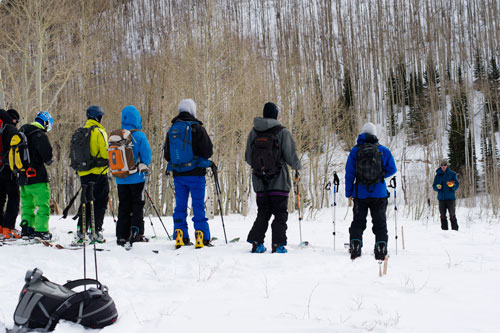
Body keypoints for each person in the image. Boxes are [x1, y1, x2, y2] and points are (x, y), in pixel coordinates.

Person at [245, 102, 302, 254]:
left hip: (259, 182)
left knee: (263, 212)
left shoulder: (254, 132)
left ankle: (256, 243)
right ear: (275, 115)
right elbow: (290, 156)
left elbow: (249, 158)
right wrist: (298, 166)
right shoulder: (281, 132)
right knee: (280, 214)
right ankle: (278, 245)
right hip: (279, 182)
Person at [164, 99, 213, 249]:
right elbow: (208, 151)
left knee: (180, 206)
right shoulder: (197, 128)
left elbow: (167, 155)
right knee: (198, 205)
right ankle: (201, 236)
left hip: (179, 175)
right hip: (196, 174)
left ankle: (180, 234)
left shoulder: (172, 129)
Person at [345, 122, 397, 260]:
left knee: (358, 221)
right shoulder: (383, 150)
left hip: (360, 193)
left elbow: (349, 174)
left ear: (362, 134)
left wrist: (349, 192)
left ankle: (355, 245)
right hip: (379, 193)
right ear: (375, 134)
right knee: (380, 222)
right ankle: (381, 247)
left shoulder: (355, 151)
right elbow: (392, 169)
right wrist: (379, 176)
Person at [115, 105, 151, 246]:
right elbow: (146, 157)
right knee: (137, 205)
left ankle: (121, 235)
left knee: (123, 206)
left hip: (121, 178)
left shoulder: (117, 136)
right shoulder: (139, 136)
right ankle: (136, 233)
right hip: (137, 178)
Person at [73, 105, 110, 244]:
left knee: (86, 201)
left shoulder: (81, 131)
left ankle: (81, 230)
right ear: (98, 117)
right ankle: (96, 230)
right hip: (98, 173)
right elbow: (106, 153)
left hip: (84, 173)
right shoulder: (99, 132)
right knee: (100, 202)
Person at [18, 111, 54, 240]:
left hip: (23, 177)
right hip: (37, 175)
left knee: (27, 205)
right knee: (42, 204)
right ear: (45, 123)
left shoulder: (22, 132)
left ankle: (26, 229)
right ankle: (41, 230)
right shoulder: (39, 134)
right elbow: (47, 155)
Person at [0, 108, 21, 240]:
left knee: (0, 199)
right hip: (8, 170)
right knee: (13, 198)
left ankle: (1, 227)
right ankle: (8, 229)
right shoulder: (11, 130)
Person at [432, 160, 459, 231]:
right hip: (441, 199)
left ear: (447, 166)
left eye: (444, 165)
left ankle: (455, 231)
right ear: (441, 166)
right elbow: (434, 186)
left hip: (451, 198)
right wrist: (437, 188)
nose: (443, 167)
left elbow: (457, 185)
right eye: (442, 165)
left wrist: (452, 186)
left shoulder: (452, 174)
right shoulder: (438, 175)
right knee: (442, 216)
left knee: (452, 215)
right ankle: (444, 231)